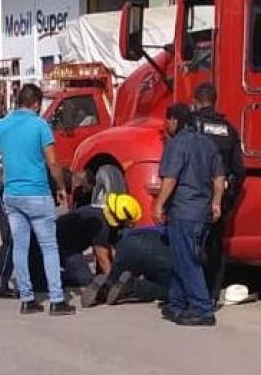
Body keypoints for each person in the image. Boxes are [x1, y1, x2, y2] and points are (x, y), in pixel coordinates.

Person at [0, 84, 75, 316]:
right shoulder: (40, 125)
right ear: (35, 103)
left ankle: (27, 299)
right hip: (37, 194)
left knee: (20, 247)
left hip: (12, 195)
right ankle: (56, 299)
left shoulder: (1, 126)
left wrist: (3, 179)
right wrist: (61, 187)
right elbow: (52, 162)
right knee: (49, 247)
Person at [153, 103, 225, 327]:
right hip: (202, 212)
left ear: (174, 121)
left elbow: (170, 178)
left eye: (167, 121)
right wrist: (216, 203)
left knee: (188, 261)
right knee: (180, 258)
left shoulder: (176, 144)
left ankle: (202, 308)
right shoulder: (208, 144)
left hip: (184, 211)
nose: (165, 125)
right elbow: (219, 178)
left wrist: (158, 205)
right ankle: (177, 303)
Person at [191, 82, 245, 307]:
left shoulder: (192, 125)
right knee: (215, 246)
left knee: (191, 246)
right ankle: (212, 295)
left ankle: (194, 296)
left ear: (195, 102)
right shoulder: (229, 129)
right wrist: (227, 198)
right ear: (215, 101)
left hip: (194, 196)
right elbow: (239, 171)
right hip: (220, 197)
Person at [30, 193, 142, 292]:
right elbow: (102, 258)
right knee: (84, 279)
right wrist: (113, 282)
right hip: (57, 245)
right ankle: (46, 276)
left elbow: (113, 251)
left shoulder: (104, 214)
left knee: (89, 275)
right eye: (126, 222)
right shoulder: (101, 226)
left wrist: (122, 271)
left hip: (68, 244)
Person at [81, 224, 172, 308]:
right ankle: (133, 287)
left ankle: (105, 288)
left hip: (129, 241)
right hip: (159, 249)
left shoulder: (166, 225)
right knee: (172, 290)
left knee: (116, 279)